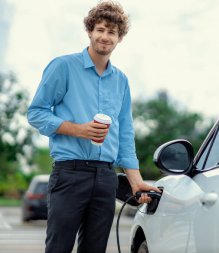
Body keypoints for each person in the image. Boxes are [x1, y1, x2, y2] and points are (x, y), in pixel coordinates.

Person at [27, 1, 160, 253]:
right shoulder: (63, 67)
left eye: (112, 32)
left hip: (105, 178)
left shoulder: (121, 80)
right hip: (69, 174)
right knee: (58, 248)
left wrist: (136, 180)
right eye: (100, 29)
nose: (105, 36)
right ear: (90, 31)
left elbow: (125, 133)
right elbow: (36, 113)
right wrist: (78, 130)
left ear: (120, 38)